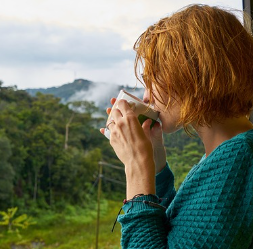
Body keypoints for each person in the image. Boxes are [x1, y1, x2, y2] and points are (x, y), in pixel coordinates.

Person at [100, 4, 253, 249]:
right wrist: (155, 160)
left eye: (152, 81)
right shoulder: (227, 153)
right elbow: (180, 230)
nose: (147, 96)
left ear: (191, 76)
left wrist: (136, 169)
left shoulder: (238, 160)